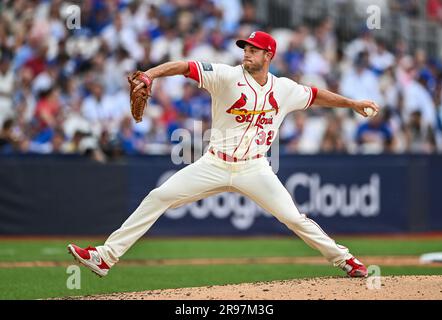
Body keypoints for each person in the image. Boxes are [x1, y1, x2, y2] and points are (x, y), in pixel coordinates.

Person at [68, 31, 379, 278]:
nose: (246, 52)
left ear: (268, 55)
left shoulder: (284, 88)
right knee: (159, 196)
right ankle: (105, 257)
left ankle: (345, 259)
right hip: (214, 163)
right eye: (245, 47)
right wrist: (150, 74)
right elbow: (184, 66)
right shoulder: (226, 76)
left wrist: (352, 103)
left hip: (255, 168)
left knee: (293, 218)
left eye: (254, 49)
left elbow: (316, 95)